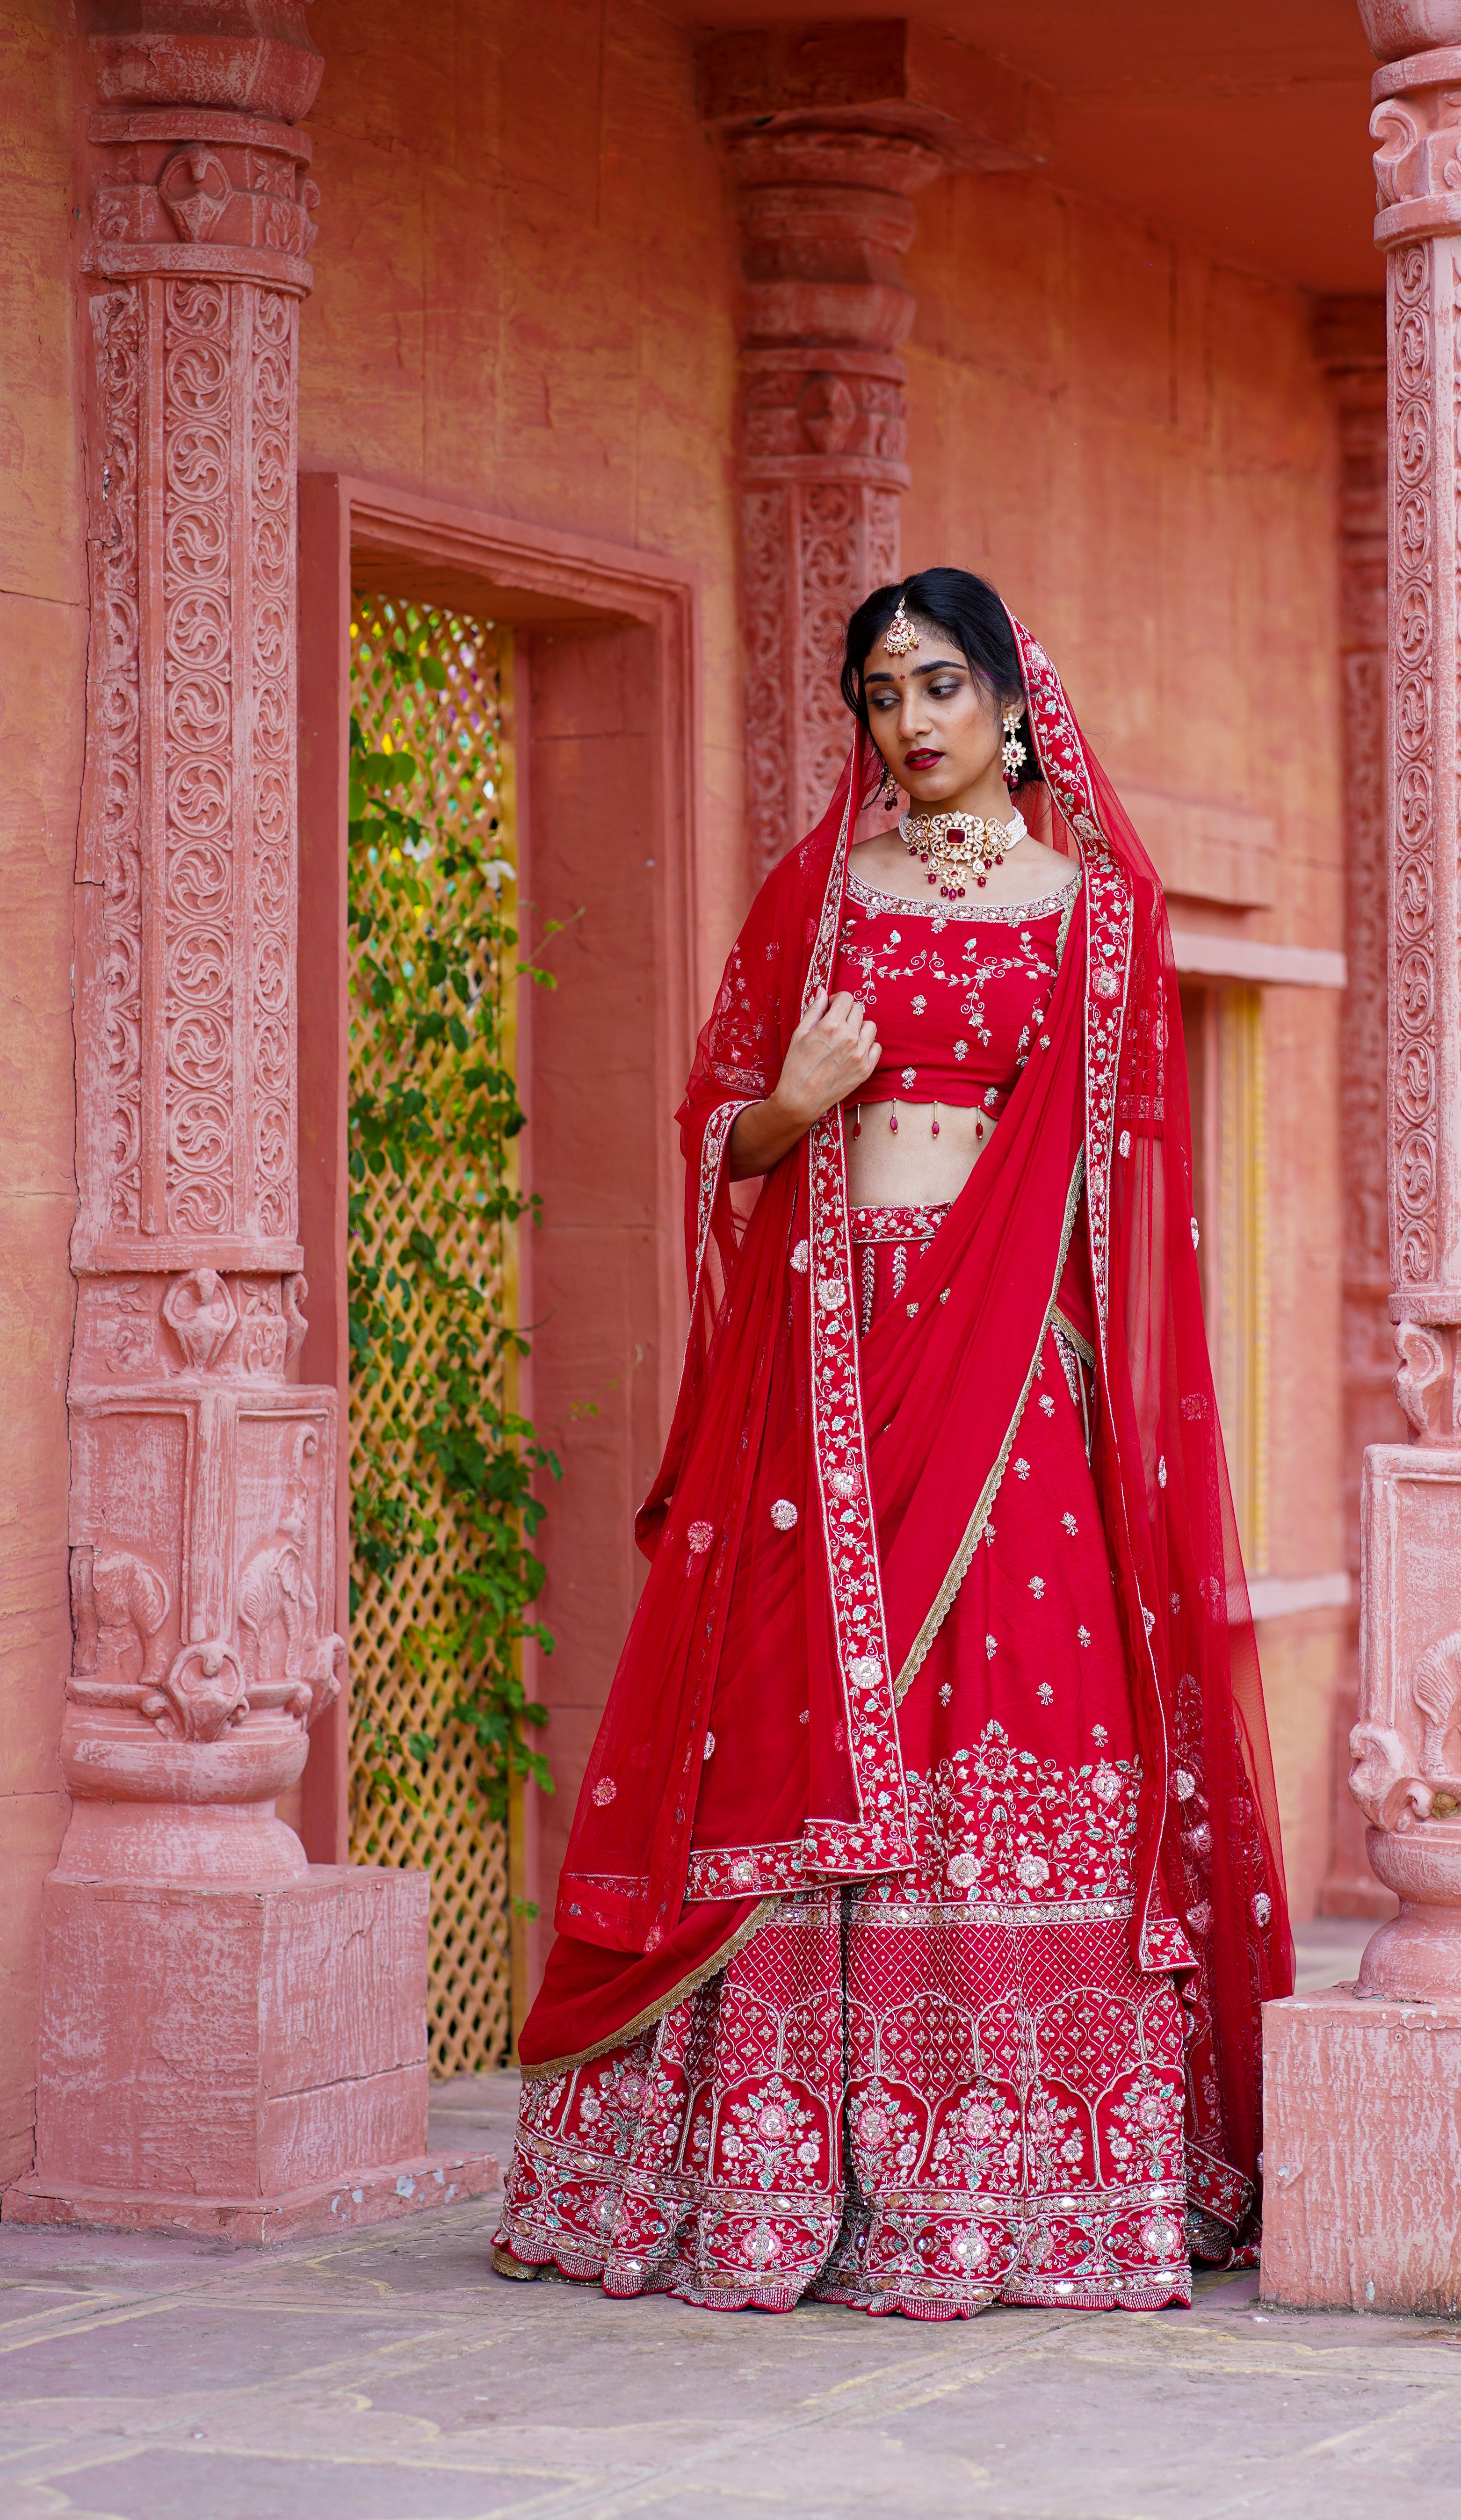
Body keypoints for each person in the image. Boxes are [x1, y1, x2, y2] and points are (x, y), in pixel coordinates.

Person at [492, 569, 1292, 2317]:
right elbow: (722, 1125)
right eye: (878, 693)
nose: (909, 722)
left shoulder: (1094, 908)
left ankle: (1019, 2181)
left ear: (1015, 701)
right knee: (790, 1726)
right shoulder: (818, 895)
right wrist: (792, 1103)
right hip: (826, 1373)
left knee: (1013, 1720)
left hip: (1015, 1385)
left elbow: (1130, 1183)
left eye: (940, 685)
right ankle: (772, 2181)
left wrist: (1057, 1358)